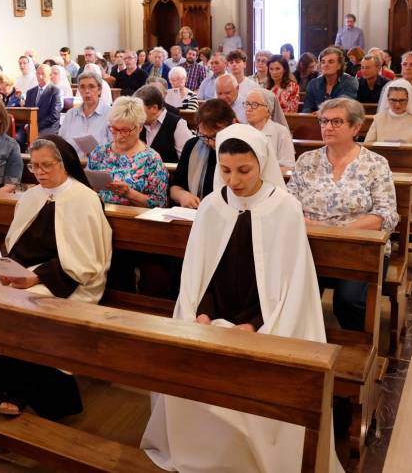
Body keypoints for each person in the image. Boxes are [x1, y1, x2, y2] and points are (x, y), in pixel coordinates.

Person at [142, 122, 341, 473]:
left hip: (266, 322)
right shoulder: (211, 206)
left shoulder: (284, 207)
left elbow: (287, 284)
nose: (234, 180)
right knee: (187, 369)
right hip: (212, 316)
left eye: (244, 171)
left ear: (261, 164)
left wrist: (252, 324)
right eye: (226, 170)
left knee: (253, 388)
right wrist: (202, 313)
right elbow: (200, 274)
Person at [0, 136, 112, 419]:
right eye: (34, 167)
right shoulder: (32, 196)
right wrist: (7, 270)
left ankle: (23, 391)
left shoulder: (84, 199)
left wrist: (36, 279)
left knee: (28, 308)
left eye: (47, 166)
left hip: (68, 279)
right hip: (25, 274)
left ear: (64, 163)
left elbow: (88, 261)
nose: (40, 172)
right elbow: (18, 243)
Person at [287, 98, 398, 332]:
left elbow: (385, 213)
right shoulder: (307, 161)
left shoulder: (375, 164)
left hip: (359, 248)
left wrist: (341, 233)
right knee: (294, 297)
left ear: (356, 128)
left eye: (337, 122)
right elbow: (290, 205)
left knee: (348, 302)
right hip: (310, 245)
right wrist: (313, 228)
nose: (327, 127)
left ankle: (358, 351)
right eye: (324, 121)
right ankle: (302, 348)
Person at [87, 97, 168, 208]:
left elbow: (160, 204)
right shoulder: (99, 153)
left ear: (139, 127)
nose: (119, 136)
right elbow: (85, 189)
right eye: (114, 129)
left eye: (125, 131)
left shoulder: (151, 159)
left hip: (133, 222)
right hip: (98, 216)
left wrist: (129, 193)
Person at [168, 99, 236, 208]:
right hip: (196, 213)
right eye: (204, 136)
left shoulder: (241, 149)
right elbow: (175, 187)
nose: (210, 142)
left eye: (215, 136)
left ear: (232, 124)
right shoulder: (192, 146)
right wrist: (182, 195)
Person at [134, 85, 194, 164]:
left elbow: (188, 159)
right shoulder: (137, 123)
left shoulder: (177, 124)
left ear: (154, 108)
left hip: (170, 174)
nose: (136, 114)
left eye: (140, 110)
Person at [59, 72, 110, 156]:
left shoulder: (110, 115)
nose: (87, 91)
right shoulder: (70, 114)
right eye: (82, 87)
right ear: (79, 90)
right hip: (73, 165)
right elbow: (61, 142)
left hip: (100, 166)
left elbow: (117, 147)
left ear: (99, 90)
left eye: (91, 87)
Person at [367, 81, 412, 145]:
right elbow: (367, 146)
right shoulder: (378, 119)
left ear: (409, 99)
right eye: (393, 100)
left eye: (402, 100)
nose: (397, 105)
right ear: (387, 99)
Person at [244, 88, 294, 171]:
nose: (248, 109)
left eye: (255, 105)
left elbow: (288, 167)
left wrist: (258, 174)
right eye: (247, 104)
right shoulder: (241, 131)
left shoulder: (281, 132)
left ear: (268, 110)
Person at [301, 47, 358, 113]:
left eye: (331, 62)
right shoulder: (313, 83)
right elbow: (307, 108)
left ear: (339, 65)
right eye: (323, 62)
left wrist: (322, 112)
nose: (326, 65)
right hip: (316, 121)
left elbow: (342, 104)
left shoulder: (350, 81)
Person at [21, 64, 63, 144]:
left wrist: (35, 126)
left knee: (39, 141)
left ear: (50, 75)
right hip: (31, 125)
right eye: (38, 73)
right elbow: (26, 112)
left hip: (48, 126)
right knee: (17, 138)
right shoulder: (30, 92)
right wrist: (27, 125)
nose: (40, 76)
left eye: (43, 74)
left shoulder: (55, 91)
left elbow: (54, 116)